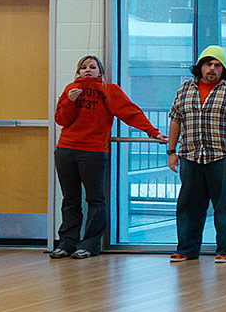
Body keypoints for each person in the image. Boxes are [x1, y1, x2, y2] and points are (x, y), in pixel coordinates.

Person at [52, 54, 163, 260]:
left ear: (100, 72)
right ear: (78, 71)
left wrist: (152, 132)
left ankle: (90, 244)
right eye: (83, 67)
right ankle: (67, 243)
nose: (87, 70)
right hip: (66, 150)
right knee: (70, 200)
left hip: (93, 151)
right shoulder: (70, 89)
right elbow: (61, 120)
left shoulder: (108, 90)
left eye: (92, 67)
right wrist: (70, 101)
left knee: (95, 198)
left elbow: (130, 112)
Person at [168, 46, 226, 266]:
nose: (212, 69)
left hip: (223, 156)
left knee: (225, 207)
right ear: (200, 67)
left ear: (223, 70)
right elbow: (175, 119)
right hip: (191, 156)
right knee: (188, 206)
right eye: (208, 64)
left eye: (217, 65)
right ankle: (186, 249)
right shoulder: (184, 89)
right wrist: (171, 151)